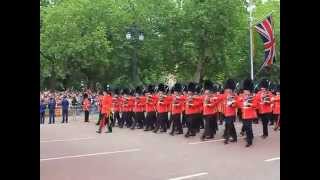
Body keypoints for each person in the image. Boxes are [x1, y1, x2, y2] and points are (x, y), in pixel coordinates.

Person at [237, 78, 258, 147]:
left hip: (250, 114)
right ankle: (251, 136)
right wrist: (242, 101)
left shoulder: (252, 97)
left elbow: (256, 106)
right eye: (245, 91)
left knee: (248, 127)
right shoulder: (241, 97)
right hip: (244, 115)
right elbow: (238, 105)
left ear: (249, 91)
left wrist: (250, 104)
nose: (245, 92)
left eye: (247, 91)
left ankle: (249, 141)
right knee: (246, 127)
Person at [222, 79, 238, 144]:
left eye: (229, 89)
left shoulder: (234, 95)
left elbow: (236, 104)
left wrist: (232, 104)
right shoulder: (225, 95)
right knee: (231, 125)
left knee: (228, 125)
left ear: (231, 89)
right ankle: (235, 137)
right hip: (226, 112)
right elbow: (220, 98)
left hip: (231, 113)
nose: (227, 90)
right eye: (227, 89)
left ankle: (227, 138)